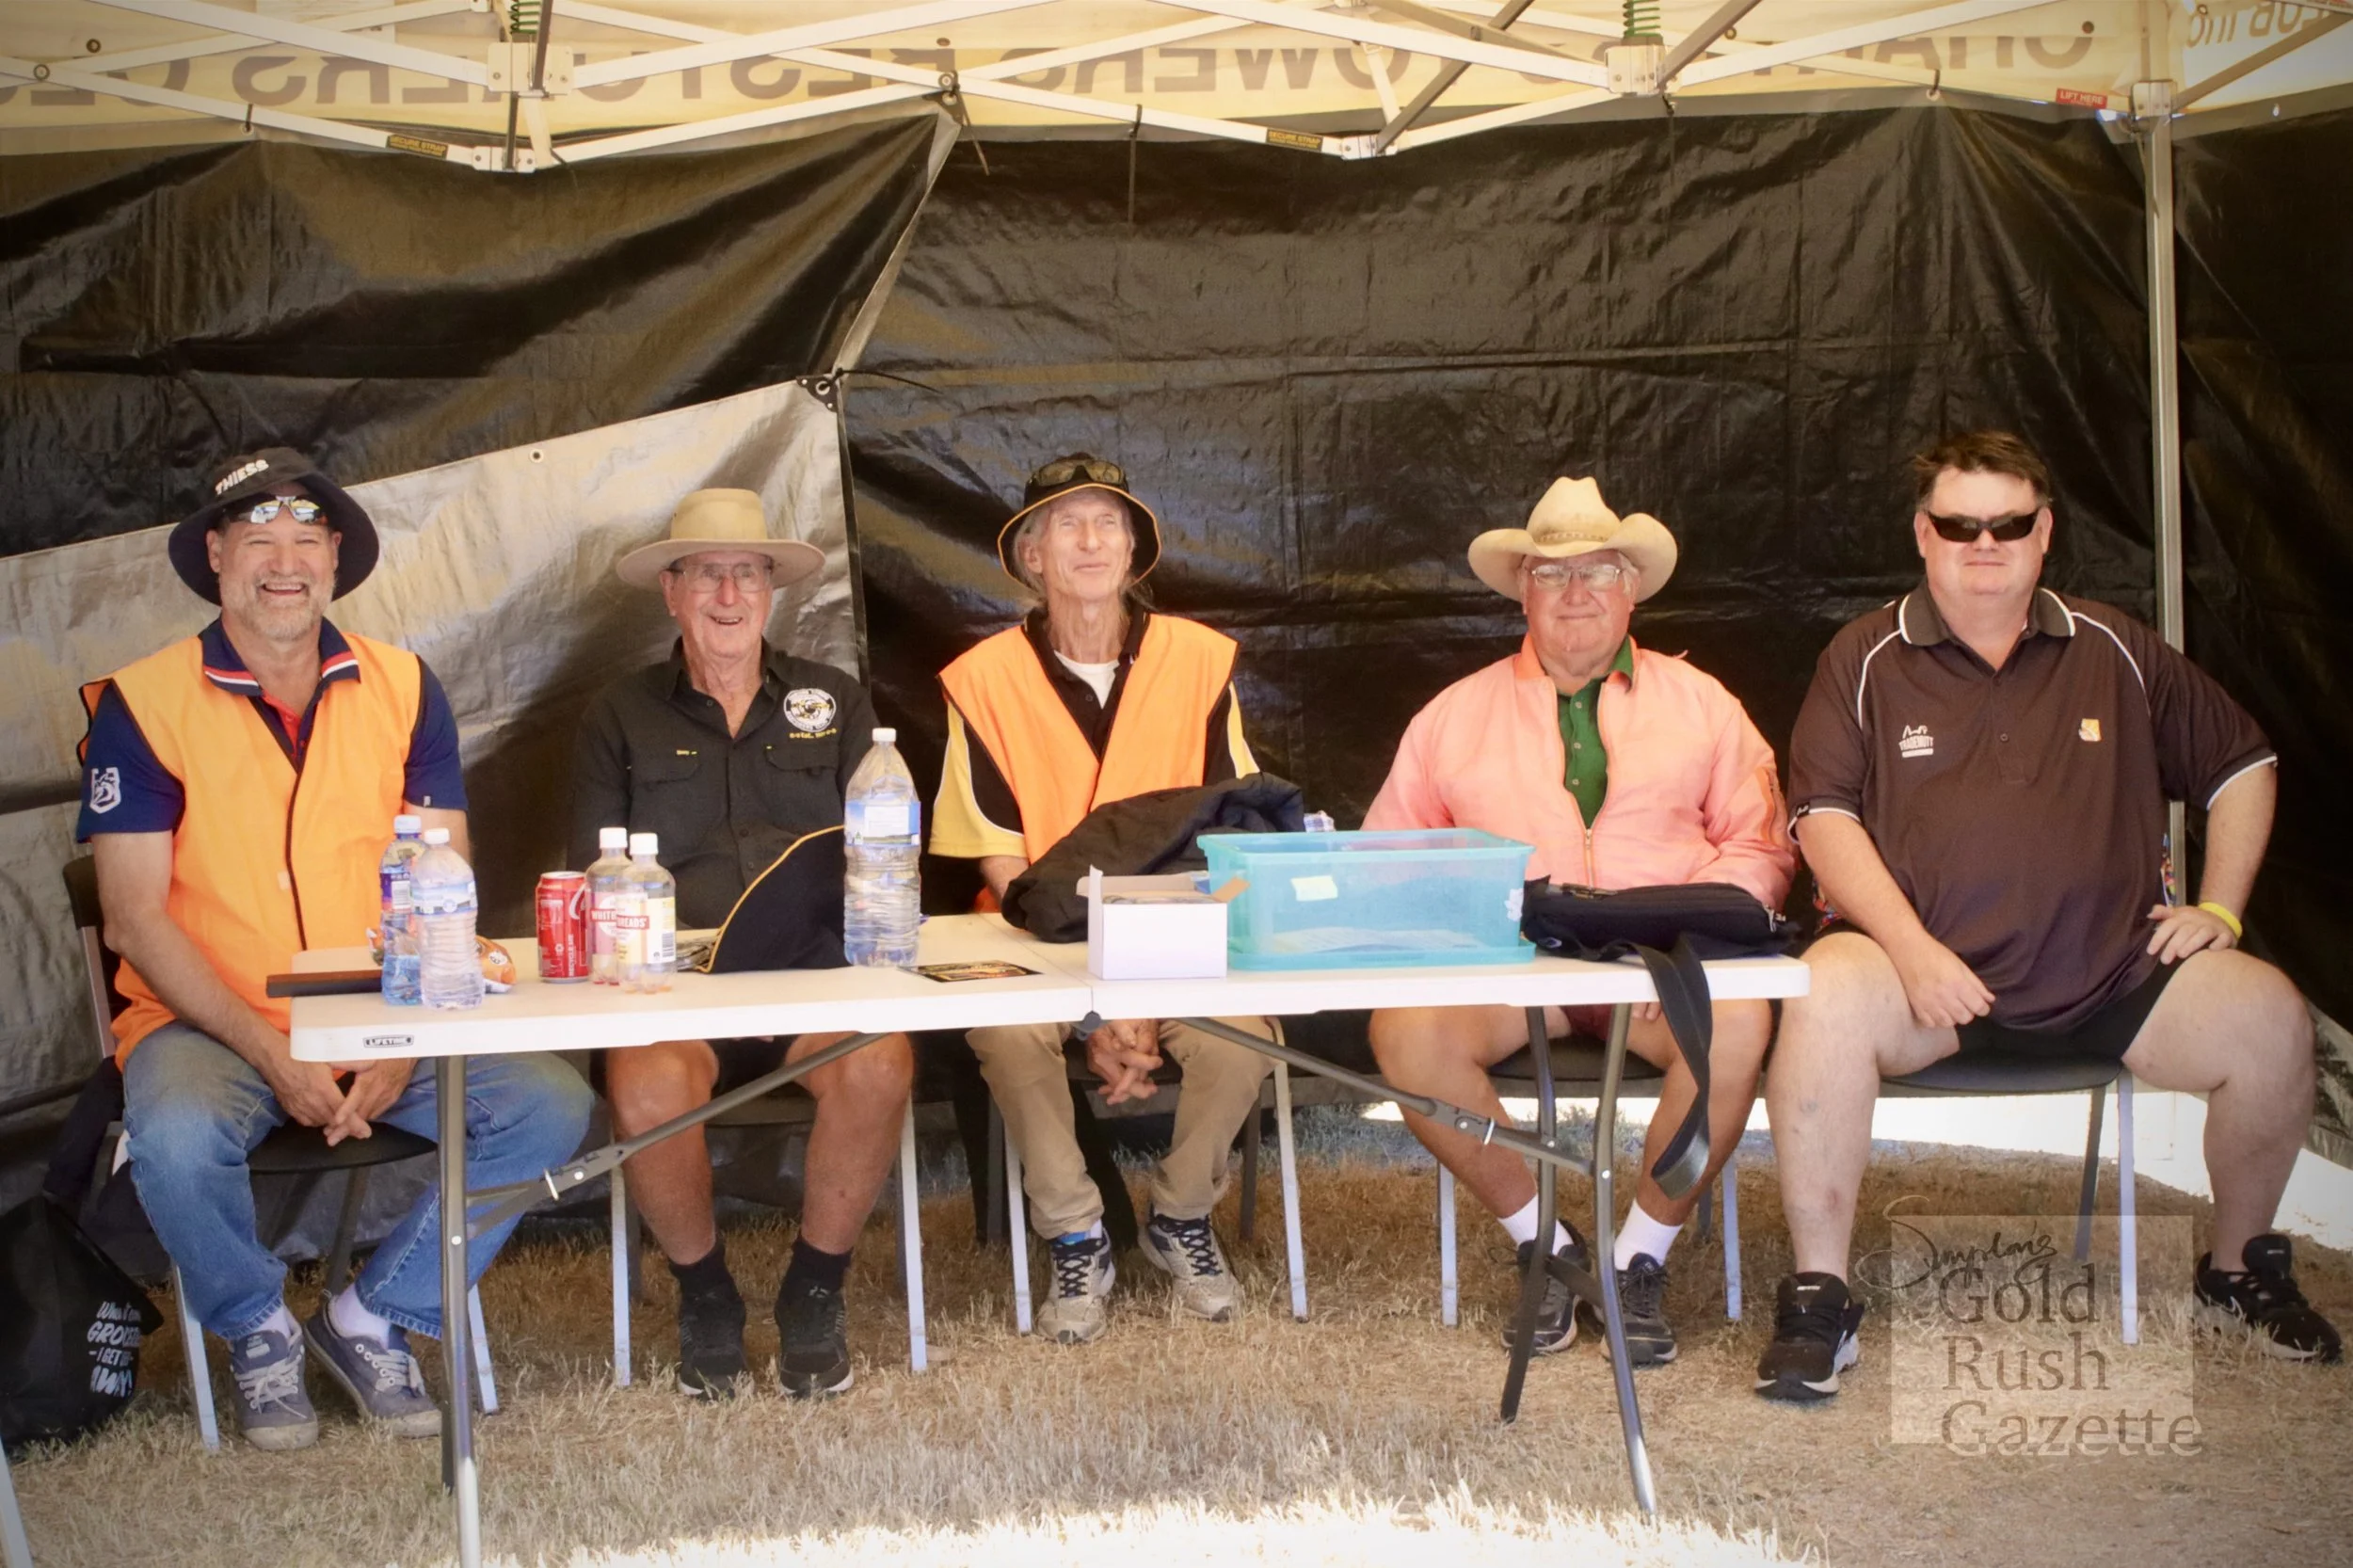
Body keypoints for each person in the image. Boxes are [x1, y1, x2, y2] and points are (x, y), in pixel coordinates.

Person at [1762, 429, 2339, 1401]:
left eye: (2007, 524)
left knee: (2270, 1015)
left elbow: (2243, 765)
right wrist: (1911, 950)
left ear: (2044, 532)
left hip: (2113, 977)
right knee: (1822, 989)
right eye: (1959, 525)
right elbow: (1822, 819)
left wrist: (2222, 910)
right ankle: (1821, 1294)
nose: (1983, 544)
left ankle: (2238, 1267)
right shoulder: (1861, 655)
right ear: (1923, 534)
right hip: (1925, 984)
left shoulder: (2115, 646)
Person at [76, 448, 593, 1451]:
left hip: (383, 1006)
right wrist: (275, 1053)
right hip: (212, 1024)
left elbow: (444, 881)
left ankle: (372, 1314)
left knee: (549, 1105)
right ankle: (257, 1328)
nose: (285, 562)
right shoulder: (142, 702)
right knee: (172, 1137)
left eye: (307, 541)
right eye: (258, 539)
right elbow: (134, 918)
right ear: (216, 555)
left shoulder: (403, 684)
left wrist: (404, 1038)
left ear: (336, 560)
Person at [1362, 476, 1795, 1365]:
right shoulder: (1452, 716)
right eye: (1552, 574)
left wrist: (1686, 939)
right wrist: (1477, 935)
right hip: (1519, 970)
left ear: (1632, 588)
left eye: (1598, 572)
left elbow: (1761, 848)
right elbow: (1389, 860)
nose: (1576, 593)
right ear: (1521, 591)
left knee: (1738, 1026)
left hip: (1664, 967)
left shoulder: (1706, 704)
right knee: (1404, 1034)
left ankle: (1637, 1258)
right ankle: (1546, 1245)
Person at [572, 488, 914, 1399]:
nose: (729, 595)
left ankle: (815, 1289)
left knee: (881, 1061)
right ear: (671, 591)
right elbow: (591, 874)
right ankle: (708, 1296)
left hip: (811, 981)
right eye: (708, 575)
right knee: (644, 1082)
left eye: (749, 575)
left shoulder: (833, 701)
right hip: (676, 991)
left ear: (772, 591)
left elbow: (881, 860)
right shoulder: (620, 712)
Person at [934, 454, 1274, 1344]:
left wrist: (1142, 993)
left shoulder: (1200, 661)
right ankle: (1075, 1231)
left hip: (1175, 939)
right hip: (1035, 941)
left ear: (1133, 552)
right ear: (1032, 556)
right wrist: (1095, 1007)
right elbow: (999, 857)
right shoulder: (982, 679)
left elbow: (1231, 833)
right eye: (1067, 525)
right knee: (1006, 1031)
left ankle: (1180, 1214)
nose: (1090, 541)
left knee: (1245, 1036)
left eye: (1109, 524)